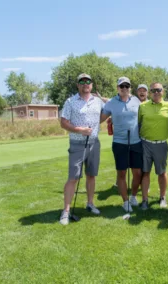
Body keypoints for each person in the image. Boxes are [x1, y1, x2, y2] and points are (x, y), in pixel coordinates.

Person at [59, 73, 104, 225]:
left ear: (92, 85)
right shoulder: (70, 101)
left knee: (91, 175)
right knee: (73, 177)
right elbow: (63, 123)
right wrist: (79, 130)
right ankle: (66, 211)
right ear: (78, 85)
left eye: (88, 81)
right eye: (82, 81)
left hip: (94, 143)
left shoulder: (98, 101)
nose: (86, 84)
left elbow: (107, 111)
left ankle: (90, 203)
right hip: (77, 144)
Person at [100, 77, 142, 212]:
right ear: (117, 88)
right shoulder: (111, 103)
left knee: (137, 173)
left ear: (130, 87)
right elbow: (100, 118)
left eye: (127, 86)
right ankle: (125, 202)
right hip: (119, 143)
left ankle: (133, 196)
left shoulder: (136, 100)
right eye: (122, 86)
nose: (124, 88)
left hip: (136, 142)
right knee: (122, 173)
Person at [138, 82, 168, 210]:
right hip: (145, 144)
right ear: (150, 92)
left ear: (163, 91)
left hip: (161, 144)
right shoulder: (143, 106)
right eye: (153, 90)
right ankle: (144, 200)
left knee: (162, 173)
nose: (156, 92)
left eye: (159, 90)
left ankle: (162, 197)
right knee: (145, 172)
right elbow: (137, 123)